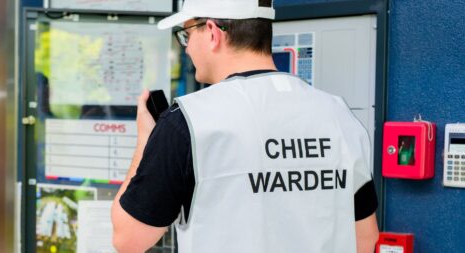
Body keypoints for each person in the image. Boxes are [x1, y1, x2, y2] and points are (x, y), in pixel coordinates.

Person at [111, 0, 379, 252]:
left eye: (187, 35)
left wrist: (146, 142)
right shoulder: (338, 114)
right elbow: (365, 239)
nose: (187, 47)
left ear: (213, 33)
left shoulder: (189, 120)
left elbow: (128, 239)